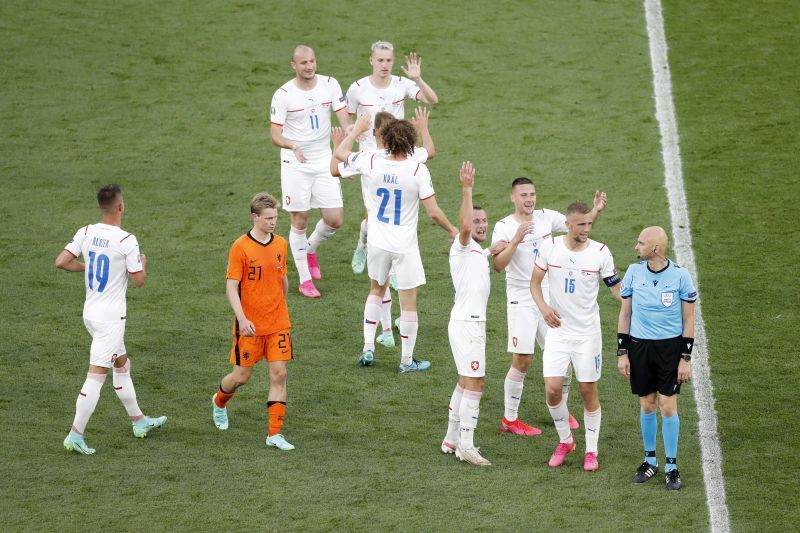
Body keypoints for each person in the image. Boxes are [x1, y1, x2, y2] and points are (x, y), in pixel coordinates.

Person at [334, 112, 456, 372]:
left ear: (386, 139)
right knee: (408, 302)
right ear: (410, 141)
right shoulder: (416, 169)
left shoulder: (371, 161)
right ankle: (406, 361)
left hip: (377, 242)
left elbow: (341, 154)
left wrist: (355, 132)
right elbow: (433, 212)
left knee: (376, 290)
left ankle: (368, 348)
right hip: (405, 246)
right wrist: (451, 228)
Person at [491, 177, 606, 435]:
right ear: (513, 198)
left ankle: (561, 410)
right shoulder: (503, 226)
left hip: (548, 297)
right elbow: (498, 265)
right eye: (523, 195)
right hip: (521, 297)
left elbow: (579, 226)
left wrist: (595, 210)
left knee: (562, 361)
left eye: (532, 194)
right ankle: (510, 419)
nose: (529, 199)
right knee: (523, 359)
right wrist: (515, 241)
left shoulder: (546, 217)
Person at [56, 184, 166, 455]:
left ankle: (139, 421)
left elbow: (61, 261)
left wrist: (87, 267)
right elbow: (139, 280)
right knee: (96, 376)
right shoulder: (126, 240)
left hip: (90, 313)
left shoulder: (86, 231)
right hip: (111, 319)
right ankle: (75, 434)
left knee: (122, 364)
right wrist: (142, 261)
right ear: (120, 206)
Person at [531, 202, 622, 471]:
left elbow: (615, 288)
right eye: (581, 224)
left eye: (589, 224)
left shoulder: (600, 253)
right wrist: (544, 308)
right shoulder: (551, 248)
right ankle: (566, 440)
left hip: (587, 335)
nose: (586, 229)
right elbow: (534, 283)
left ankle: (591, 451)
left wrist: (635, 300)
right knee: (552, 389)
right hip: (558, 332)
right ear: (568, 224)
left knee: (587, 389)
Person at [210, 193, 295, 451]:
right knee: (241, 376)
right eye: (268, 218)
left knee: (279, 375)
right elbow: (231, 287)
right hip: (250, 326)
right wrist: (242, 318)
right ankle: (219, 402)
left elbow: (282, 279)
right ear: (255, 217)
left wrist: (281, 305)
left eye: (275, 218)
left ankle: (274, 434)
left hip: (278, 322)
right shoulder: (240, 247)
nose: (273, 223)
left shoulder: (280, 244)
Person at [347, 40, 438, 276]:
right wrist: (352, 133)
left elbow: (432, 100)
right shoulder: (357, 89)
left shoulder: (402, 84)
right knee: (375, 215)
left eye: (388, 60)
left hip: (399, 153)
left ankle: (392, 267)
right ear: (371, 61)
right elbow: (347, 119)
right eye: (380, 60)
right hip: (371, 158)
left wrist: (418, 79)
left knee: (401, 210)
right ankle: (364, 243)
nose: (385, 65)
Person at [617, 226, 697, 490]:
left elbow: (689, 319)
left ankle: (671, 466)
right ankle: (650, 460)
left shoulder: (680, 276)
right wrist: (623, 352)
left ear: (656, 248)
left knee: (667, 407)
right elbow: (625, 315)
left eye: (641, 243)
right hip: (640, 348)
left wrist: (685, 357)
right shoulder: (633, 272)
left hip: (669, 350)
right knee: (648, 404)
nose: (636, 247)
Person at [270, 44, 353, 298]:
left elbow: (343, 117)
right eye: (303, 63)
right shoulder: (283, 94)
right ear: (293, 65)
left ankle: (310, 249)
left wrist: (350, 131)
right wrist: (292, 144)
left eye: (312, 61)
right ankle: (305, 280)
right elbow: (275, 134)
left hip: (323, 160)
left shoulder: (330, 84)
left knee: (335, 219)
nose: (309, 66)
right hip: (295, 163)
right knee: (300, 219)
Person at [441, 161, 492, 466]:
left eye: (484, 220)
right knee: (476, 383)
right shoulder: (463, 244)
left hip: (466, 323)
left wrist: (497, 248)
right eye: (476, 220)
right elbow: (462, 227)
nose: (481, 225)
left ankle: (451, 438)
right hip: (468, 325)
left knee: (464, 381)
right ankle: (467, 445)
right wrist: (466, 188)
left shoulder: (475, 250)